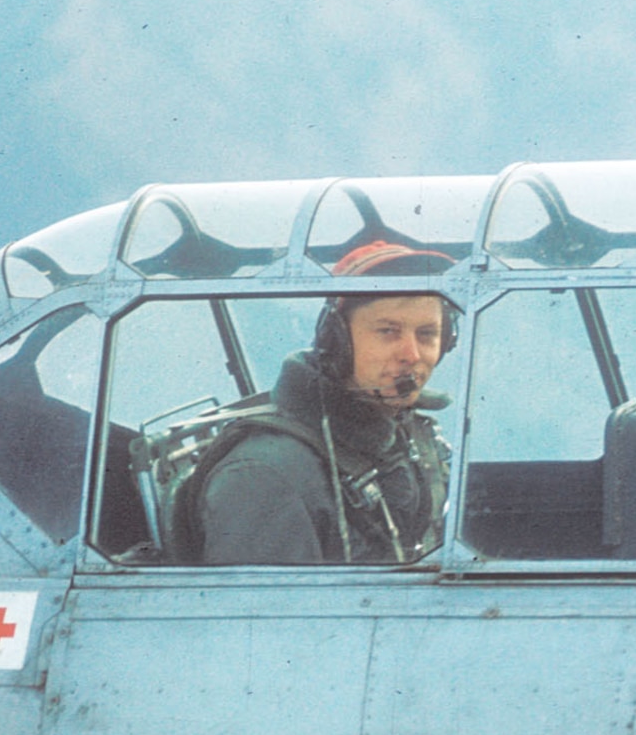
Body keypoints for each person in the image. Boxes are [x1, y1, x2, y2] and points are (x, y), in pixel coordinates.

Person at [185, 240, 458, 564]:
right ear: (337, 340)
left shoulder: (397, 434)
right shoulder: (266, 476)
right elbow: (261, 613)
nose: (412, 355)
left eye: (427, 334)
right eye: (387, 331)